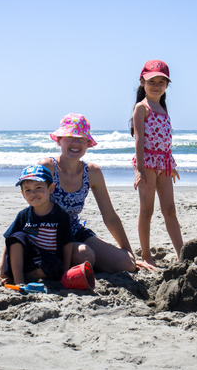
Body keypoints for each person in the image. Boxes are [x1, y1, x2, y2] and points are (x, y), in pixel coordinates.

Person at [39, 113, 154, 273]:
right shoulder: (47, 167)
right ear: (59, 140)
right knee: (85, 255)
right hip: (47, 234)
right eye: (70, 137)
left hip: (75, 231)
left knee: (126, 264)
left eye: (81, 138)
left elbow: (110, 216)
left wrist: (129, 254)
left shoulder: (92, 172)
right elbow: (33, 209)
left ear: (88, 143)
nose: (75, 143)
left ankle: (82, 263)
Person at [129, 60, 183, 267]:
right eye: (152, 81)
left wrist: (172, 165)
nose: (156, 85)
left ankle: (181, 253)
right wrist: (139, 170)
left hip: (165, 164)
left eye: (162, 81)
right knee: (147, 210)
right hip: (147, 163)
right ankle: (146, 255)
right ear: (142, 82)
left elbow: (165, 140)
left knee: (170, 209)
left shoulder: (162, 108)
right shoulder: (141, 108)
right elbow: (139, 140)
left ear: (167, 86)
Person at [0, 165, 74, 285]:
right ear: (23, 194)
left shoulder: (60, 214)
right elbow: (9, 243)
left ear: (51, 188)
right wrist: (3, 271)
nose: (33, 193)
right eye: (27, 190)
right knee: (17, 236)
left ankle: (25, 275)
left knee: (53, 266)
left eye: (38, 187)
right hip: (26, 259)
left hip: (48, 260)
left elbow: (67, 244)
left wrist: (66, 271)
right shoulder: (23, 215)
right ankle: (19, 281)